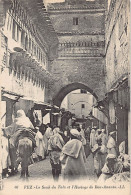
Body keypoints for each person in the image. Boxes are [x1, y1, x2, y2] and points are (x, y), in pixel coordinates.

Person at [3, 109, 36, 174]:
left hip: (19, 132)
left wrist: (5, 128)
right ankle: (32, 150)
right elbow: (32, 127)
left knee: (12, 141)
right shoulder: (27, 119)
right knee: (33, 139)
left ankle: (17, 151)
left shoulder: (16, 120)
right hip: (28, 132)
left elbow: (12, 127)